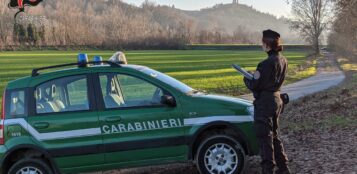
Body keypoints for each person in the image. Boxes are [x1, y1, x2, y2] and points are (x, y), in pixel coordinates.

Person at [244, 29, 291, 174]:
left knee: (264, 138)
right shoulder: (283, 60)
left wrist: (247, 78)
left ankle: (268, 170)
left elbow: (255, 85)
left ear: (267, 45)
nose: (261, 45)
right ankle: (283, 168)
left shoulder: (265, 64)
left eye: (262, 42)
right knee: (275, 135)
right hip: (277, 99)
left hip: (264, 103)